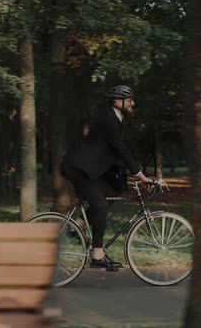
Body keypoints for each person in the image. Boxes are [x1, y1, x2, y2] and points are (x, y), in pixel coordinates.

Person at [61, 84, 153, 269]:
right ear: (117, 101)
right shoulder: (109, 120)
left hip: (87, 169)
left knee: (111, 192)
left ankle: (76, 226)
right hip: (77, 168)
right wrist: (141, 175)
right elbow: (121, 150)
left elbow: (115, 154)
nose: (133, 103)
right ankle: (97, 255)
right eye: (129, 100)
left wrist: (135, 174)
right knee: (101, 205)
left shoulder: (114, 119)